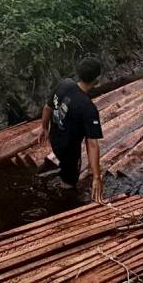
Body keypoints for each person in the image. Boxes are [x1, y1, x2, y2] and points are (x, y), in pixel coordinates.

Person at [38, 57, 104, 203]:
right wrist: (97, 177)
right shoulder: (88, 108)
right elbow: (92, 143)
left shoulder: (64, 84)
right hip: (69, 151)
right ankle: (64, 203)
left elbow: (47, 107)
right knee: (69, 182)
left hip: (55, 139)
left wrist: (44, 128)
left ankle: (59, 173)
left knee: (64, 164)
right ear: (97, 79)